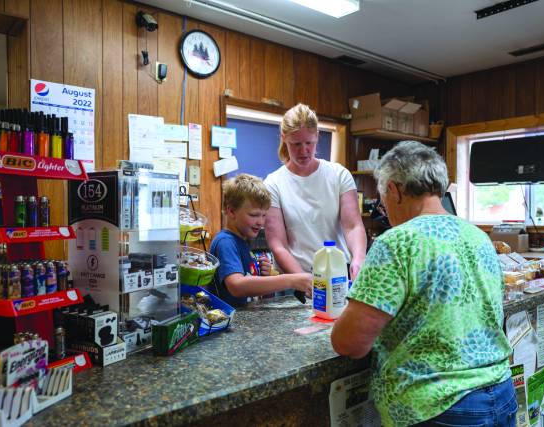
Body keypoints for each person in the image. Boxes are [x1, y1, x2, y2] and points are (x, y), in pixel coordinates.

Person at [331, 141, 516, 426]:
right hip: (500, 394)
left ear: (394, 190)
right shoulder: (477, 236)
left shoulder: (397, 242)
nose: (385, 208)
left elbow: (350, 342)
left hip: (436, 407)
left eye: (383, 199)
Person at [264, 103, 366, 279]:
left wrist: (358, 259)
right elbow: (278, 244)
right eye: (296, 144)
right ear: (284, 138)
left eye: (309, 143)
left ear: (317, 136)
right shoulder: (273, 183)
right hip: (297, 277)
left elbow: (353, 226)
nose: (303, 151)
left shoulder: (339, 174)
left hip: (338, 274)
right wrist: (304, 280)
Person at [210, 174, 312, 307]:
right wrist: (291, 280)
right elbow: (236, 285)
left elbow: (248, 285)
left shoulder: (242, 241)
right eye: (254, 215)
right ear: (231, 211)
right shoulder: (225, 242)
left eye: (264, 215)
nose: (261, 222)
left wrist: (264, 274)